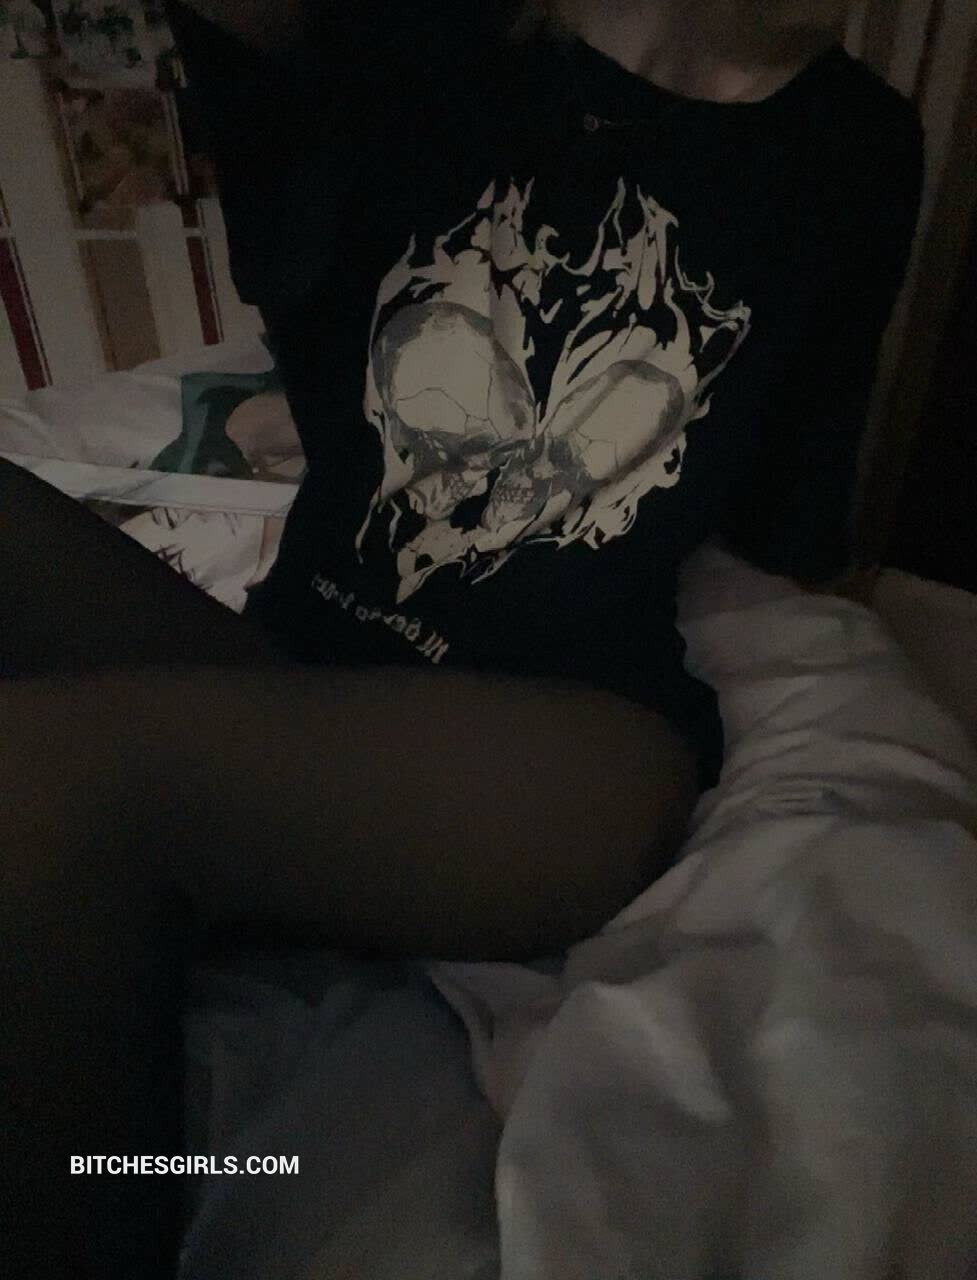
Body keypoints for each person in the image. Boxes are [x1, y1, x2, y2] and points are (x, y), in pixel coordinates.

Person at [1, 1, 923, 1275]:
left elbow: (790, 519)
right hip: (306, 681)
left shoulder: (855, 146)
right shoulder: (429, 49)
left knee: (42, 769)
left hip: (561, 751)